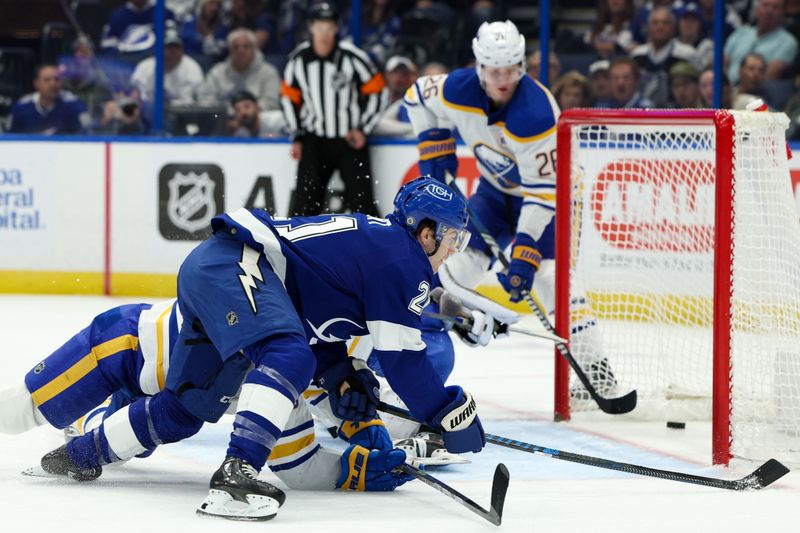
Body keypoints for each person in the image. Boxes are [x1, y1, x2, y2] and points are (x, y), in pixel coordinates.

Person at [3, 176, 485, 521]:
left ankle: (80, 454)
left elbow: (309, 316)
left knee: (183, 409)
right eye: (452, 239)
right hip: (236, 264)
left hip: (222, 271)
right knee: (288, 355)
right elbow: (403, 360)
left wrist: (340, 374)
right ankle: (236, 477)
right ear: (427, 232)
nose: (452, 252)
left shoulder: (380, 251)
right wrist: (446, 412)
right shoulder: (403, 259)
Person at [404, 20, 619, 402]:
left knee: (551, 279)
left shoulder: (536, 113)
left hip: (551, 198)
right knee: (448, 268)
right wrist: (433, 143)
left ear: (521, 66)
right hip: (495, 190)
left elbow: (540, 195)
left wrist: (524, 250)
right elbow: (416, 96)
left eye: (509, 70)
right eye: (493, 71)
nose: (501, 79)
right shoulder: (457, 88)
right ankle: (447, 334)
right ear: (479, 66)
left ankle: (598, 374)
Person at [0, 297, 413, 495]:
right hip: (122, 347)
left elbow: (298, 463)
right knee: (19, 412)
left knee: (130, 445)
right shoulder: (288, 344)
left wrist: (349, 466)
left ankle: (84, 423)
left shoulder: (304, 368)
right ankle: (82, 422)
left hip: (160, 391)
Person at [281, 2, 387, 216]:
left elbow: (378, 91)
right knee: (304, 206)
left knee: (363, 204)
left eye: (329, 28)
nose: (324, 34)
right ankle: (295, 248)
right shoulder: (298, 60)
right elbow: (288, 98)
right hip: (314, 140)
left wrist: (363, 128)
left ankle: (374, 247)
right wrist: (298, 135)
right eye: (320, 27)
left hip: (349, 140)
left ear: (337, 29)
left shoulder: (352, 57)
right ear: (311, 28)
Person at [630, 6, 699, 108]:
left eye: (665, 23)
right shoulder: (637, 55)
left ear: (673, 28)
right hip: (642, 115)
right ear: (648, 27)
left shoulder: (686, 54)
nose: (660, 27)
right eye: (655, 23)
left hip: (676, 115)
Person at [198, 28, 282, 112]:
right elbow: (206, 102)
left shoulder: (269, 72)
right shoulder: (216, 72)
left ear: (254, 49)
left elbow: (271, 103)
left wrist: (245, 114)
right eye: (236, 47)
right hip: (224, 120)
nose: (240, 51)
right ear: (230, 51)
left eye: (246, 47)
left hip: (258, 119)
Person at [724, 0, 798, 84]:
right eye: (765, 5)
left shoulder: (788, 42)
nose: (769, 10)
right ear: (757, 9)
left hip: (757, 93)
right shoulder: (741, 32)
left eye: (775, 7)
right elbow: (722, 63)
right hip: (726, 90)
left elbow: (769, 76)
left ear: (783, 12)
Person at [130, 28, 204, 107]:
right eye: (168, 47)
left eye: (176, 47)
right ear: (159, 49)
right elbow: (135, 96)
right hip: (150, 114)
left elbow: (202, 101)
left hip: (184, 115)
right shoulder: (144, 67)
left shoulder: (193, 68)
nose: (173, 52)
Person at [8, 64, 90, 134]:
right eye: (47, 80)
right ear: (36, 83)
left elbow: (88, 133)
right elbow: (8, 137)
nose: (53, 84)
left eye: (57, 79)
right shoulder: (22, 107)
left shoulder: (74, 105)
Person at [100, 0, 176, 54]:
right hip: (125, 63)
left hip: (156, 61)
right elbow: (107, 45)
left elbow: (173, 39)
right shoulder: (117, 16)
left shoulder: (164, 12)